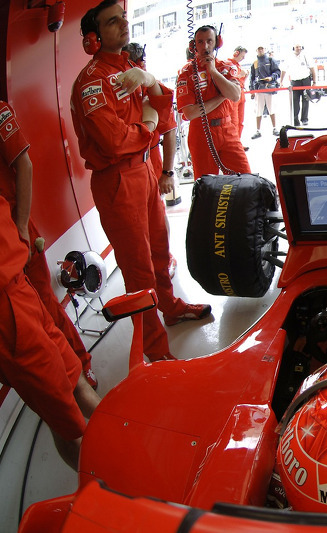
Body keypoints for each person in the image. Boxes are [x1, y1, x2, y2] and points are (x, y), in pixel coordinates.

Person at [0, 15, 100, 470]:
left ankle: (129, 448)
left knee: (78, 381)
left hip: (18, 285)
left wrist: (19, 231)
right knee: (68, 421)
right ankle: (115, 502)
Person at [70, 0, 212, 362]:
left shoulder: (130, 68)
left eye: (123, 17)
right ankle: (157, 351)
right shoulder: (91, 84)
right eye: (112, 22)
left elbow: (164, 104)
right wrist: (147, 126)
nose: (123, 23)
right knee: (138, 270)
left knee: (160, 250)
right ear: (93, 38)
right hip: (118, 180)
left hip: (144, 171)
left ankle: (171, 306)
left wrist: (149, 80)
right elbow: (115, 142)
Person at [0, 96, 100, 390]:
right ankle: (60, 378)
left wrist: (21, 228)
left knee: (46, 307)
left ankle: (82, 365)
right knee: (28, 319)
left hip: (17, 229)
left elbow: (24, 165)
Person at [123, 42, 179, 278]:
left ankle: (164, 260)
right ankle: (150, 266)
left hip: (151, 158)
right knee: (137, 224)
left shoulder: (152, 90)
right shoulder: (118, 92)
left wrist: (167, 172)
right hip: (128, 166)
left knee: (158, 217)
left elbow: (169, 131)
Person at [176, 26, 250, 178]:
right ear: (193, 46)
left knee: (245, 180)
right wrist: (222, 95)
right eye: (200, 42)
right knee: (206, 187)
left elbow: (235, 95)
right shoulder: (185, 73)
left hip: (228, 130)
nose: (205, 46)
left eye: (209, 41)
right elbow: (190, 113)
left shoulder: (226, 67)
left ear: (217, 42)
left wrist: (213, 71)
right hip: (201, 133)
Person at [249, 46, 281, 138]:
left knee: (272, 109)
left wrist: (271, 78)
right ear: (256, 50)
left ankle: (275, 128)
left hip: (270, 88)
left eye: (262, 48)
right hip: (259, 89)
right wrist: (252, 90)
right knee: (258, 110)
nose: (260, 50)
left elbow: (277, 72)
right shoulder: (255, 63)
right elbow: (252, 78)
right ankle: (258, 130)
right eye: (258, 48)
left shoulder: (271, 60)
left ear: (265, 49)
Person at [286, 43, 316, 127]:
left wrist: (314, 82)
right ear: (293, 48)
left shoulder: (306, 56)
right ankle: (295, 120)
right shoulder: (289, 57)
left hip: (305, 80)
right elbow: (284, 69)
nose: (299, 48)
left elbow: (312, 69)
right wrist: (281, 82)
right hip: (295, 81)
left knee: (306, 100)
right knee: (295, 101)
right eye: (297, 47)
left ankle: (304, 119)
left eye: (300, 47)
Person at [227, 45, 249, 146]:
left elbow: (241, 81)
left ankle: (238, 142)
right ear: (236, 53)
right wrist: (240, 75)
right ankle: (234, 143)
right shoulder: (228, 65)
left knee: (240, 120)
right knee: (234, 121)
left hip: (241, 93)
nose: (243, 58)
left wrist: (245, 76)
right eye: (242, 56)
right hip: (234, 96)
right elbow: (227, 81)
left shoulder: (238, 66)